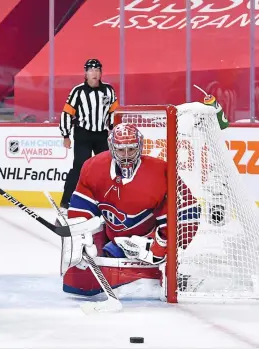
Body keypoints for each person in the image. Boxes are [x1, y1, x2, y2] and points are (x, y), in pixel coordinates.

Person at [59, 123, 201, 298]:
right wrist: (78, 233)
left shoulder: (160, 171)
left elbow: (189, 212)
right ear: (112, 148)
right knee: (87, 267)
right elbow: (82, 208)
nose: (126, 156)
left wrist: (160, 245)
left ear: (140, 146)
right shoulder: (93, 167)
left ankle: (163, 271)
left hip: (150, 239)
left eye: (131, 149)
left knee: (133, 267)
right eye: (120, 150)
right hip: (114, 237)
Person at [59, 59, 119, 212]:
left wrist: (114, 128)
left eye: (97, 70)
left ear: (101, 73)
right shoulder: (78, 91)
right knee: (79, 166)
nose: (95, 73)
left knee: (107, 167)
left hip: (101, 135)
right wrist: (66, 135)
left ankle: (108, 200)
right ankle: (66, 201)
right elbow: (67, 113)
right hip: (83, 134)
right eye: (91, 70)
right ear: (85, 73)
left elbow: (114, 112)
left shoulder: (109, 90)